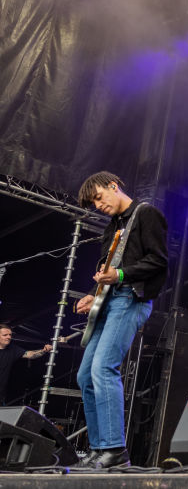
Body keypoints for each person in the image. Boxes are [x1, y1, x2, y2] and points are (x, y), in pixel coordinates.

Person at [75, 172, 168, 469]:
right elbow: (108, 268)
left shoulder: (146, 214)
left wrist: (121, 275)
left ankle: (115, 450)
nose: (98, 206)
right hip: (108, 301)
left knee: (104, 367)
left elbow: (159, 261)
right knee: (85, 376)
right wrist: (92, 294)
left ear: (113, 186)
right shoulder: (112, 227)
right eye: (93, 204)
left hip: (130, 298)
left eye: (99, 198)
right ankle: (98, 449)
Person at [0, 324, 52, 404]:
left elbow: (30, 355)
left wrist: (44, 350)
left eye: (10, 335)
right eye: (5, 335)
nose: (9, 337)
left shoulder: (13, 349)